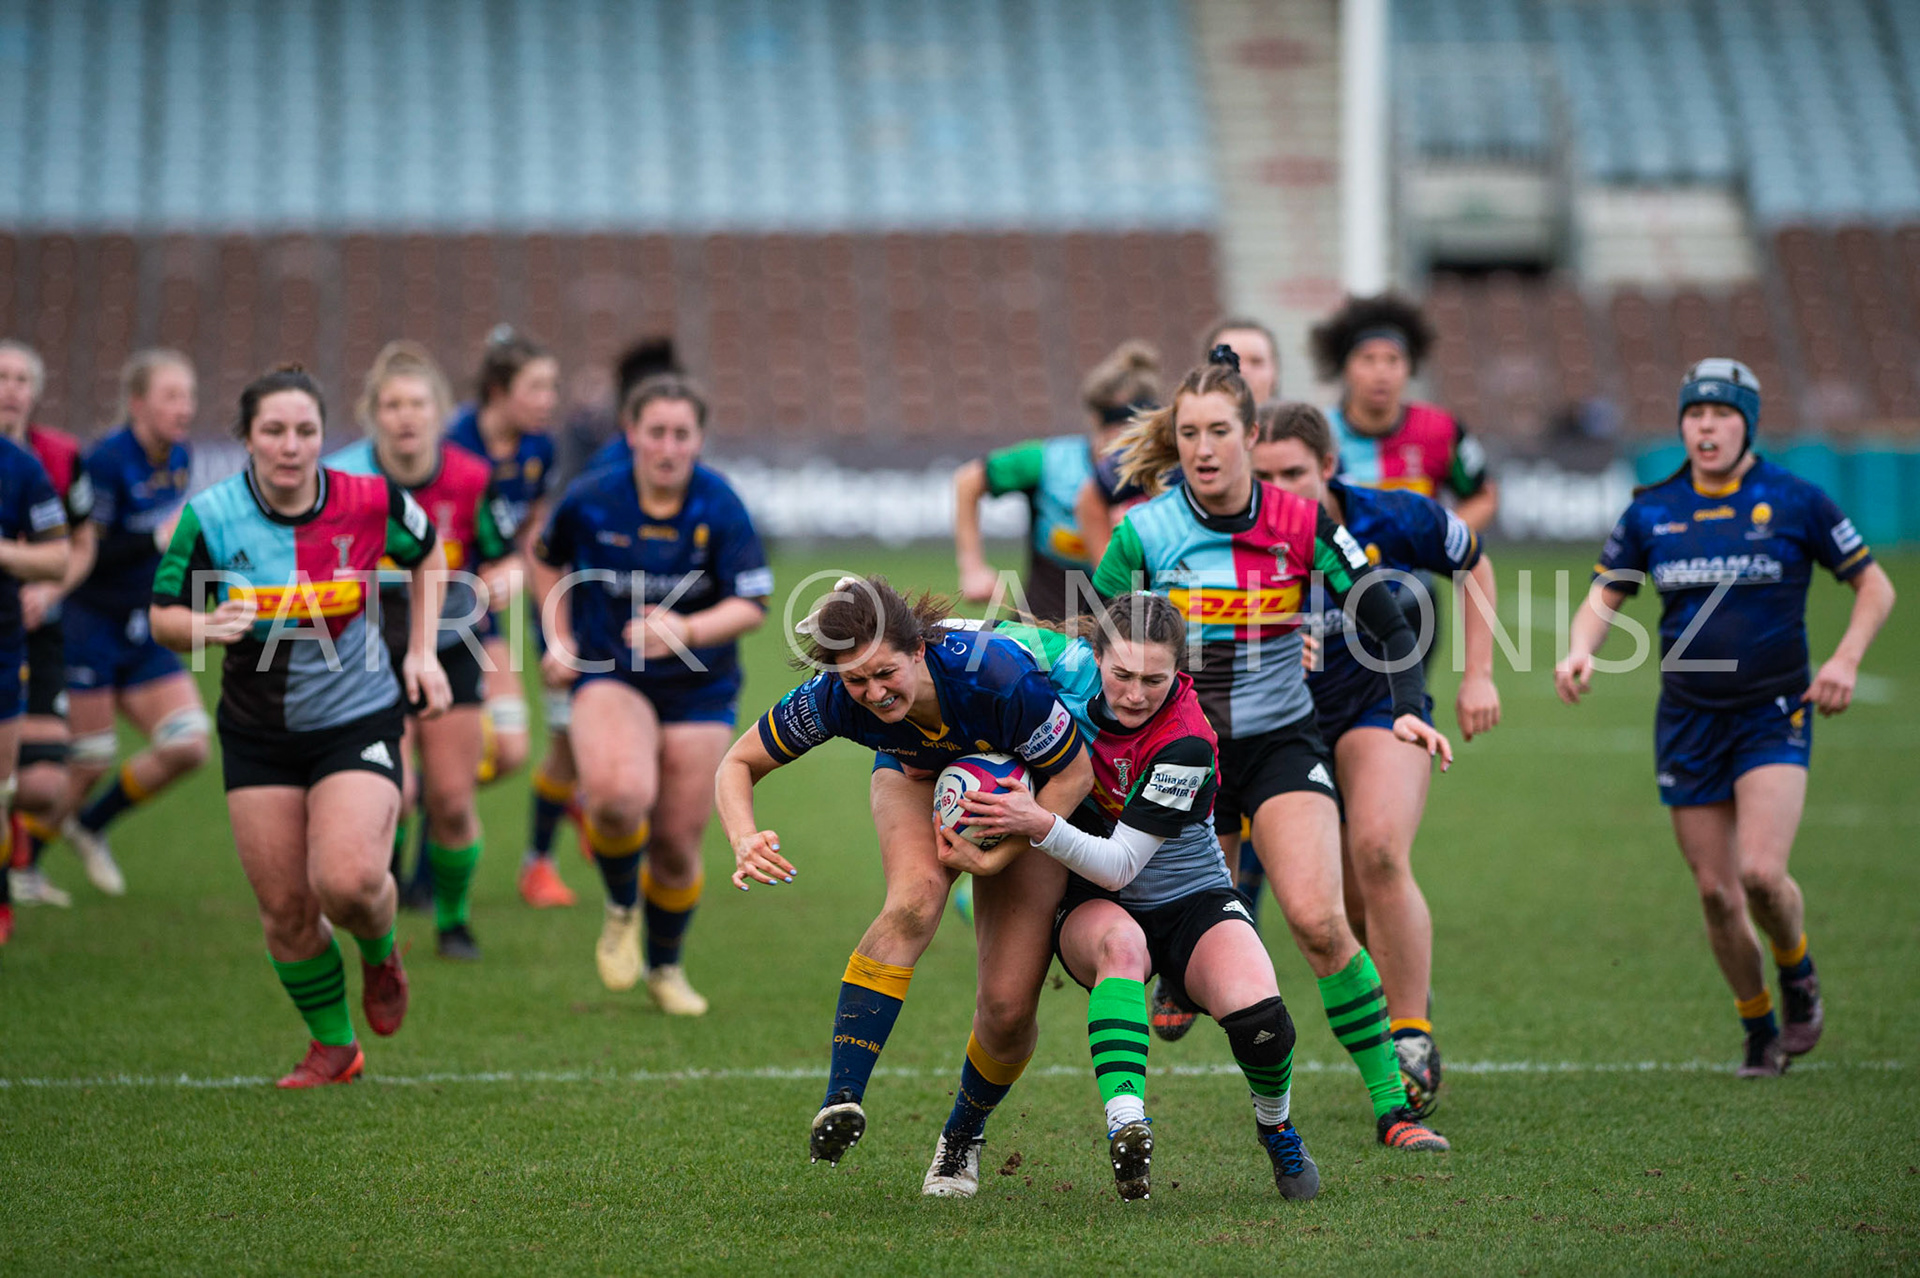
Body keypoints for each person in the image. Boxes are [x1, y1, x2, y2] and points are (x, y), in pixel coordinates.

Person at [1092, 346, 1453, 1152]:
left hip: (1281, 745)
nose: (1203, 448)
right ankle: (1178, 993)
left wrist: (1409, 709)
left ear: (1251, 436)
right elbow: (1099, 650)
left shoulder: (1302, 522)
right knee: (1173, 928)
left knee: (1320, 923)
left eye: (1219, 431)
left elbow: (1386, 615)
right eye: (1189, 433)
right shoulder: (1143, 532)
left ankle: (1393, 1109)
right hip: (1182, 759)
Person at [1556, 359, 1895, 1077]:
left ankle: (1796, 969)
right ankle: (1757, 1025)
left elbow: (1876, 587)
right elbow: (1604, 595)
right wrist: (1580, 649)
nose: (1706, 428)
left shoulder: (1795, 500)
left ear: (1748, 425)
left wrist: (1845, 660)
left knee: (1762, 874)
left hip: (1774, 712)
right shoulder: (1652, 510)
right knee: (1716, 893)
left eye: (1722, 414)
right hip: (1688, 718)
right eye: (1694, 415)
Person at [716, 577, 1092, 1192]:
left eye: (885, 672)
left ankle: (962, 1135)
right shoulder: (833, 697)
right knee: (914, 902)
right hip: (913, 770)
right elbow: (738, 762)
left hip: (1023, 787)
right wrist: (743, 837)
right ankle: (841, 1099)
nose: (873, 693)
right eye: (856, 680)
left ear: (918, 650)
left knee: (1006, 1006)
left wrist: (1002, 856)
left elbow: (1074, 775)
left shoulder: (997, 677)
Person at [942, 595, 1321, 1203]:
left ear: (1178, 672)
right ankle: (1126, 1125)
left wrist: (1037, 821)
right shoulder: (1067, 661)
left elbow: (1121, 864)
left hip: (1188, 895)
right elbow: (965, 633)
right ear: (1096, 657)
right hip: (1094, 900)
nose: (1135, 694)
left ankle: (1276, 1128)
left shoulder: (1186, 741)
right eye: (1121, 674)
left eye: (1154, 679)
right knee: (1117, 949)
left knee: (1261, 1018)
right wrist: (860, 614)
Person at [149, 365, 451, 1087]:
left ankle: (379, 951)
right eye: (274, 431)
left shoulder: (370, 499)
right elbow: (162, 616)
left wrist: (422, 651)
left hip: (356, 717)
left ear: (323, 435)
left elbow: (429, 554)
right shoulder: (210, 516)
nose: (291, 446)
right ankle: (335, 1048)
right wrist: (205, 626)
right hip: (258, 733)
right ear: (248, 438)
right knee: (286, 911)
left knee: (348, 883)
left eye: (306, 431)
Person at [1247, 401, 1502, 1117]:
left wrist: (1479, 675)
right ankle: (1395, 989)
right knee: (1344, 899)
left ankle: (1411, 1033)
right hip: (1286, 723)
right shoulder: (1239, 539)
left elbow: (1475, 562)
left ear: (1329, 467)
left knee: (1380, 851)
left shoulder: (1393, 515)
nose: (1280, 490)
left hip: (1380, 705)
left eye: (1294, 473)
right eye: (1265, 477)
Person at [531, 373, 771, 1014]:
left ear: (699, 440)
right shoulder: (592, 497)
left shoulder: (720, 504)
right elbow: (544, 556)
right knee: (616, 798)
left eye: (681, 434)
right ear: (631, 434)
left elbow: (752, 604)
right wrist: (558, 635)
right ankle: (620, 906)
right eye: (656, 432)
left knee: (674, 845)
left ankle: (665, 968)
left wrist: (686, 629)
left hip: (700, 687)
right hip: (610, 671)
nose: (668, 447)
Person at [330, 342, 517, 960]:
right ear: (372, 414)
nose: (405, 416)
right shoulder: (342, 480)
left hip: (449, 642)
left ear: (439, 412)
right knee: (394, 793)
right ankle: (375, 915)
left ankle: (453, 922)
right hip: (364, 648)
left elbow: (505, 555)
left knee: (452, 801)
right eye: (392, 405)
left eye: (417, 404)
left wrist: (503, 580)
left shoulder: (471, 478)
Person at [61, 350, 213, 895]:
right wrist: (153, 539)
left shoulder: (181, 456)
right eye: (171, 396)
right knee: (89, 761)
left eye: (189, 396)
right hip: (90, 624)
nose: (185, 408)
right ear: (138, 403)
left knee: (189, 744)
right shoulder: (104, 463)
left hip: (145, 623)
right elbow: (87, 558)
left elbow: (170, 546)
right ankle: (20, 863)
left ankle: (89, 826)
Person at [953, 341, 1162, 621]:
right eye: (1121, 430)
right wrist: (972, 567)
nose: (1128, 444)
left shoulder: (1162, 476)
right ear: (1097, 422)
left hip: (1121, 624)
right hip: (1041, 624)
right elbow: (968, 481)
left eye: (1139, 433)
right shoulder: (1050, 462)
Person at [0, 341, 95, 913]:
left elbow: (80, 544)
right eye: (2, 376)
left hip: (34, 629)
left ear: (35, 392)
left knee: (39, 784)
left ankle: (19, 862)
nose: (11, 388)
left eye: (21, 379)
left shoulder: (56, 457)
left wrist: (48, 590)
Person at [445, 325, 558, 807]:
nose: (549, 400)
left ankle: (433, 811)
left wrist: (551, 625)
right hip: (427, 616)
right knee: (439, 764)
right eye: (536, 388)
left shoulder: (540, 448)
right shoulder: (451, 445)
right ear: (498, 391)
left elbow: (533, 530)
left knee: (509, 749)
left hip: (484, 619)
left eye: (551, 387)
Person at [1073, 319, 1279, 568]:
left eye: (1256, 361)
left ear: (1275, 372)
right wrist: (1115, 576)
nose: (1243, 371)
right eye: (1228, 359)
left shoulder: (1298, 433)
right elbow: (1092, 496)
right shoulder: (1181, 439)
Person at [1309, 293, 1495, 531]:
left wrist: (1443, 540)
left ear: (1409, 367)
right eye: (1368, 359)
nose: (1381, 373)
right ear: (1344, 367)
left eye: (1393, 360)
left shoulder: (1442, 429)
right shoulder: (1318, 433)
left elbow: (1483, 496)